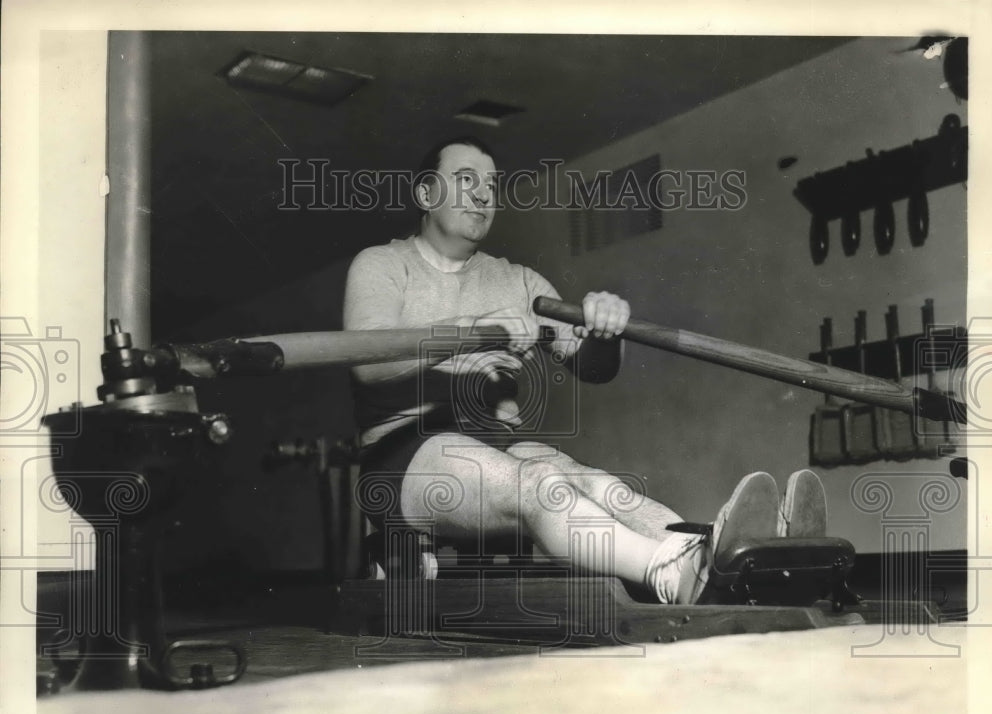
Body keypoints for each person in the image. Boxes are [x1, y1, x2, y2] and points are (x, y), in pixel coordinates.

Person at [344, 136, 826, 604]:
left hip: (500, 442)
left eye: (491, 186)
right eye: (465, 179)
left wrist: (603, 333)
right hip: (406, 452)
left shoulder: (519, 282)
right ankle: (674, 575)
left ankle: (723, 560)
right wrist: (473, 327)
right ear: (426, 194)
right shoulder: (383, 266)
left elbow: (594, 369)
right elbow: (369, 365)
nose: (482, 195)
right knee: (539, 487)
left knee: (602, 486)